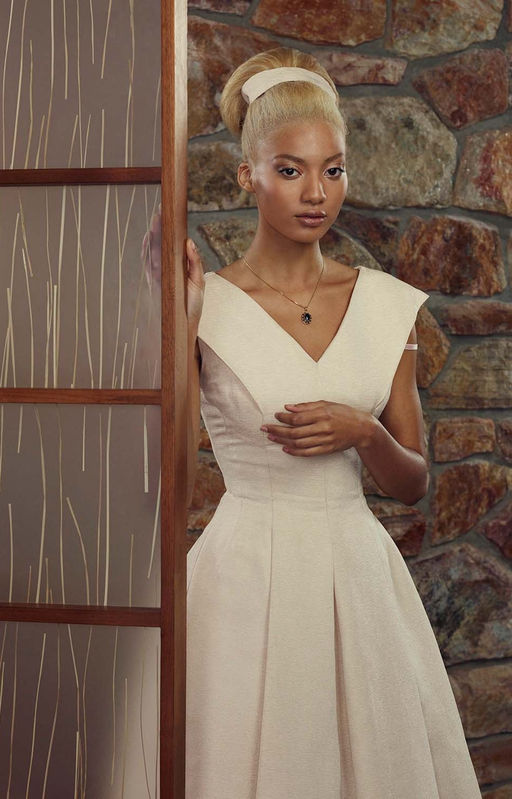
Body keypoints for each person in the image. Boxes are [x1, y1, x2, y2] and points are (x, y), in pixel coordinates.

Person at [184, 47, 481, 799]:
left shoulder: (385, 303)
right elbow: (158, 470)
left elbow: (413, 484)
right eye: (290, 170)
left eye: (333, 169)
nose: (316, 192)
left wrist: (365, 433)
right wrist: (179, 322)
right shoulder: (204, 305)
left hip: (357, 578)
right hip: (241, 578)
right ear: (246, 173)